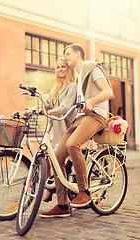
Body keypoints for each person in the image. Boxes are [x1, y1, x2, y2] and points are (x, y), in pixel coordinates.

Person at [40, 43, 114, 218]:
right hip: (80, 118)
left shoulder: (92, 68)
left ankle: (84, 191)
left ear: (79, 55)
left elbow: (108, 92)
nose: (65, 57)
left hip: (96, 116)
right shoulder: (80, 77)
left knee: (73, 144)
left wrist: (91, 102)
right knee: (57, 157)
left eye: (68, 54)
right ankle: (62, 204)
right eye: (64, 54)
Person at [26, 57, 77, 202]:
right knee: (46, 158)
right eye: (58, 67)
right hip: (53, 130)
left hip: (66, 129)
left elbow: (65, 107)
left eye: (63, 67)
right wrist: (29, 111)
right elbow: (46, 103)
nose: (60, 69)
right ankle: (50, 187)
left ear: (69, 69)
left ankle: (61, 192)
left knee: (58, 161)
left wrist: (49, 112)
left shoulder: (72, 86)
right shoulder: (56, 88)